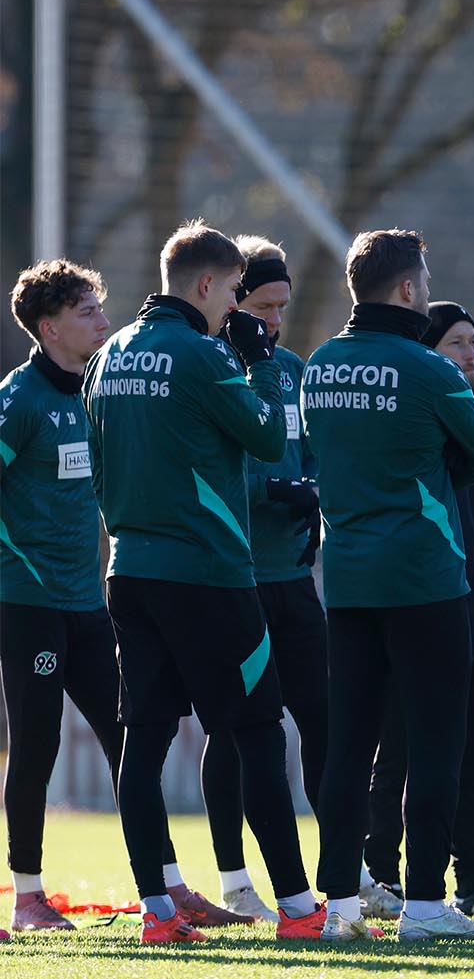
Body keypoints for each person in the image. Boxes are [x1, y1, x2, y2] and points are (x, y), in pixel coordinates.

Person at [82, 220, 322, 943]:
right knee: (253, 731)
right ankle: (299, 910)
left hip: (128, 568)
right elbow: (264, 438)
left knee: (144, 741)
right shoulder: (203, 354)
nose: (236, 313)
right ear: (209, 284)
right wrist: (247, 368)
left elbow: (99, 459)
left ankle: (157, 914)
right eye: (232, 297)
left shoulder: (108, 355)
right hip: (210, 574)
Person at [306, 229, 474, 943]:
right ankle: (423, 905)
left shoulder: (319, 366)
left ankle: (339, 908)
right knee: (434, 744)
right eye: (423, 278)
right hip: (425, 575)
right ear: (406, 290)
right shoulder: (430, 370)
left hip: (350, 580)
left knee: (349, 748)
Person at [362, 300, 474, 917]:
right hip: (414, 615)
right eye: (456, 343)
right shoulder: (415, 432)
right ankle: (383, 879)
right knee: (400, 757)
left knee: (469, 764)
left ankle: (471, 886)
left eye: (473, 341)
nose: (470, 354)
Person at [3, 260, 148, 934]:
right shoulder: (19, 400)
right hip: (29, 604)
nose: (102, 319)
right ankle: (27, 896)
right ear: (49, 326)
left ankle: (165, 891)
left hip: (88, 603)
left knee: (131, 735)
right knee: (37, 743)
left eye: (101, 306)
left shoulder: (98, 390)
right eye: (87, 310)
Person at [195, 235, 331, 923]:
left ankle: (345, 870)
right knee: (240, 731)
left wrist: (316, 496)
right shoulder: (212, 370)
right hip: (236, 581)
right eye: (263, 304)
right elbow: (217, 477)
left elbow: (315, 459)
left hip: (294, 578)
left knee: (324, 722)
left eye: (283, 304)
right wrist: (276, 490)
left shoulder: (299, 372)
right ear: (232, 301)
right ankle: (233, 880)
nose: (275, 319)